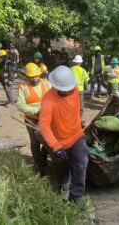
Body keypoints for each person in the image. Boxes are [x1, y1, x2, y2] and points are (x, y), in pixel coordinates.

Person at [39, 66, 88, 202]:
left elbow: (74, 109)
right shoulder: (48, 100)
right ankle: (64, 187)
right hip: (59, 141)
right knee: (62, 166)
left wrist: (78, 121)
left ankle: (76, 196)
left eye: (69, 88)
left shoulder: (75, 90)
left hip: (76, 135)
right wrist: (55, 145)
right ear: (56, 86)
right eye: (64, 89)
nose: (67, 91)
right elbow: (43, 125)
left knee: (81, 162)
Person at [17, 62, 51, 176]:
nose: (34, 78)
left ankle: (44, 160)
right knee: (35, 142)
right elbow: (20, 105)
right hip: (32, 120)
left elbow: (54, 97)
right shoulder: (24, 88)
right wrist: (36, 111)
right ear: (26, 76)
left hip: (47, 118)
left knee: (48, 140)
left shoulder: (46, 84)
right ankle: (39, 166)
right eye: (31, 77)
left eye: (36, 75)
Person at [71, 55, 89, 120]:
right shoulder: (83, 70)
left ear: (74, 62)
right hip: (80, 90)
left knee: (72, 103)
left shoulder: (71, 69)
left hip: (72, 89)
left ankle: (72, 117)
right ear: (80, 63)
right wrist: (86, 87)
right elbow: (86, 80)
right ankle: (80, 118)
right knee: (81, 103)